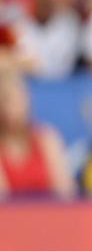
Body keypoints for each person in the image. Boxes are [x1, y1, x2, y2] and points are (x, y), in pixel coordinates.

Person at [0, 68, 73, 199]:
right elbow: (3, 200)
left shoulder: (47, 138)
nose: (11, 108)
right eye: (5, 101)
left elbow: (66, 193)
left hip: (50, 215)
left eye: (17, 100)